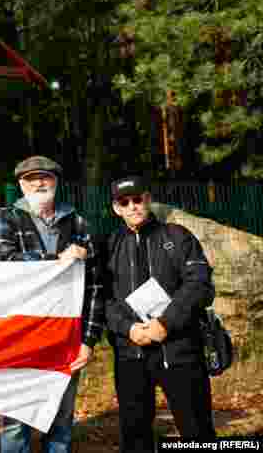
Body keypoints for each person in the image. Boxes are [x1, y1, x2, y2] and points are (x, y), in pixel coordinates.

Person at [0, 156, 103, 453]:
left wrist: (88, 341)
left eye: (45, 178)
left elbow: (95, 286)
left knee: (61, 418)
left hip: (65, 335)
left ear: (56, 182)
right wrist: (56, 260)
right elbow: (5, 261)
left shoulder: (78, 222)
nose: (39, 183)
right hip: (19, 334)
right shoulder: (5, 217)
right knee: (15, 418)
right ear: (21, 185)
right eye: (31, 179)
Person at [102, 176, 216, 452]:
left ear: (148, 200)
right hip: (131, 353)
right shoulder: (108, 244)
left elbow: (199, 285)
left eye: (137, 199)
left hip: (179, 349)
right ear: (116, 208)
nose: (132, 207)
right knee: (134, 433)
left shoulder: (178, 236)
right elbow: (102, 298)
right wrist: (128, 328)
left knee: (197, 430)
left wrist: (166, 323)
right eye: (124, 202)